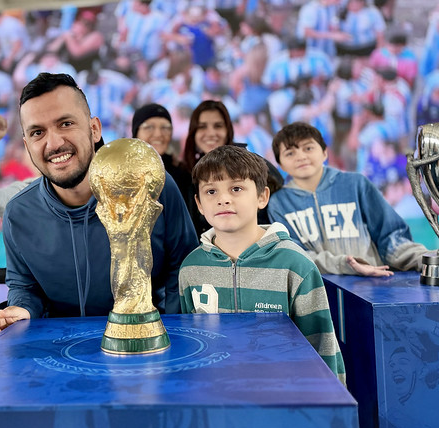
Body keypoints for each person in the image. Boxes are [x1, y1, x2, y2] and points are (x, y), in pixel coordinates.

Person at [0, 73, 198, 338]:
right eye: (38, 132)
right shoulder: (18, 213)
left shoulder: (151, 184)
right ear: (27, 144)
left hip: (152, 347)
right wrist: (22, 311)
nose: (54, 143)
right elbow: (25, 287)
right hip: (64, 355)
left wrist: (170, 331)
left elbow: (185, 267)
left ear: (94, 129)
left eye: (65, 123)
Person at [178, 145, 345, 383]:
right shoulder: (190, 268)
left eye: (236, 188)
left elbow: (323, 347)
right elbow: (194, 344)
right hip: (217, 395)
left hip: (284, 401)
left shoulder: (295, 265)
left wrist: (331, 412)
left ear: (262, 197)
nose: (223, 199)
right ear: (199, 203)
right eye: (211, 191)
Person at [267, 122, 429, 276]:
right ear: (280, 164)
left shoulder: (356, 184)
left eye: (308, 148)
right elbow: (292, 255)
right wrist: (345, 263)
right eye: (290, 153)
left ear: (325, 153)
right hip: (318, 292)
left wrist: (425, 259)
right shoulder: (278, 203)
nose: (301, 157)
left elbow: (391, 237)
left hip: (373, 286)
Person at [182, 100, 283, 234]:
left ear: (228, 130)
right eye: (202, 127)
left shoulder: (251, 164)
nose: (211, 133)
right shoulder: (186, 173)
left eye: (218, 126)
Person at [131, 103, 193, 213]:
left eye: (165, 128)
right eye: (149, 127)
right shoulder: (124, 173)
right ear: (136, 133)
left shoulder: (183, 173)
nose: (158, 134)